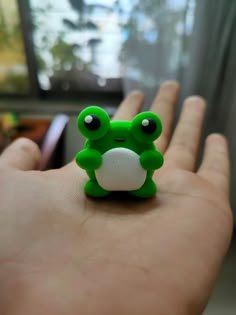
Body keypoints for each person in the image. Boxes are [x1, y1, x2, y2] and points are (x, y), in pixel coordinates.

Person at [0, 81, 233, 315]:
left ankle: (134, 187)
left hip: (138, 184)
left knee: (141, 187)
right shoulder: (97, 144)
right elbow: (87, 158)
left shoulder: (140, 145)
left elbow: (153, 159)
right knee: (99, 186)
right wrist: (93, 161)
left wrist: (146, 162)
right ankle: (108, 187)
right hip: (102, 184)